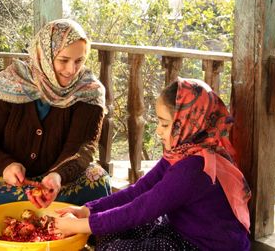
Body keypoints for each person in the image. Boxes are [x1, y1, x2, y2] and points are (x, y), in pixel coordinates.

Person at [0, 19, 111, 228]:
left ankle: (16, 219)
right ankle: (54, 221)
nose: (71, 70)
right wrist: (5, 166)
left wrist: (57, 176)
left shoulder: (89, 91)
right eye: (63, 60)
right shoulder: (10, 82)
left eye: (79, 61)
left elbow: (82, 148)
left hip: (58, 184)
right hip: (4, 182)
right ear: (45, 56)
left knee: (99, 183)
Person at [54, 77, 251, 251]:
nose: (158, 131)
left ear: (188, 123)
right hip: (182, 230)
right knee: (109, 233)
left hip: (204, 245)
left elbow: (141, 209)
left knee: (114, 247)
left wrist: (79, 225)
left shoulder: (194, 169)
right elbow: (139, 190)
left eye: (165, 124)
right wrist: (87, 210)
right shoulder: (183, 152)